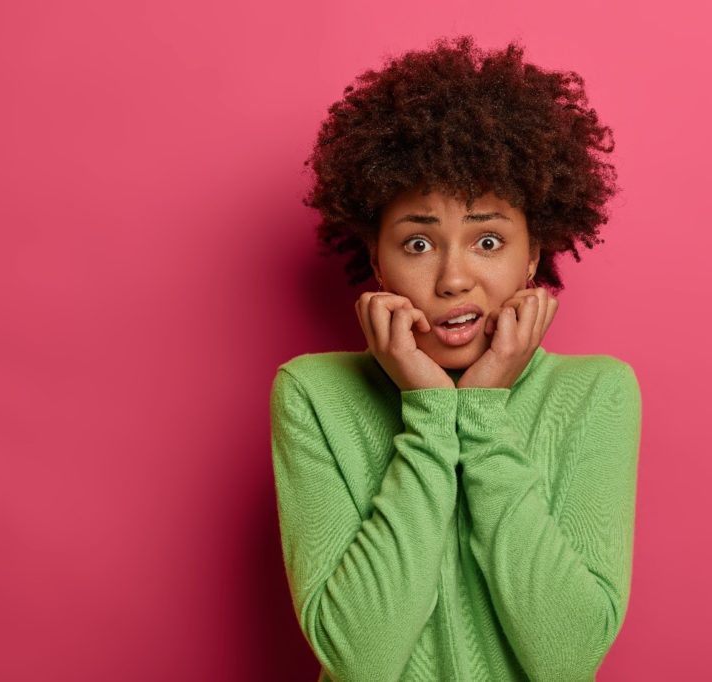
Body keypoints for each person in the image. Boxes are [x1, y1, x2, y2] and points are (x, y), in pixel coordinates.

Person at [270, 35, 642, 682]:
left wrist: (484, 411)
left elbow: (568, 658)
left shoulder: (597, 393)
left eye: (488, 240)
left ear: (533, 255)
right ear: (377, 259)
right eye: (417, 243)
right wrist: (431, 412)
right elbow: (359, 660)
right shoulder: (314, 394)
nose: (453, 279)